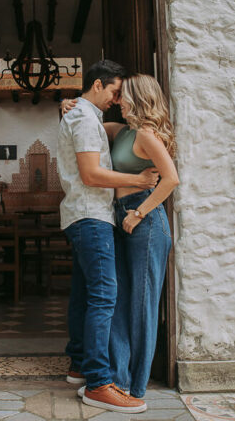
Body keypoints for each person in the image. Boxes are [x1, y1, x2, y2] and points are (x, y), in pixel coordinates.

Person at [62, 73, 178, 399]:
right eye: (117, 95)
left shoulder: (146, 134)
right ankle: (118, 379)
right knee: (120, 301)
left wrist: (139, 213)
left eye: (123, 96)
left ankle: (135, 386)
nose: (118, 101)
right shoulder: (121, 130)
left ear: (138, 98)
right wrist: (68, 103)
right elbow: (87, 119)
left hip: (145, 220)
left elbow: (170, 179)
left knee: (141, 305)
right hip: (120, 216)